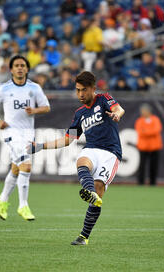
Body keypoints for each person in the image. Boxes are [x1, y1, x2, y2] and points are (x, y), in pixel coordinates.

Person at [27, 71, 125, 245]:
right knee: (82, 162)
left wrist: (117, 114)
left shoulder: (103, 99)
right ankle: (90, 193)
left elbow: (118, 108)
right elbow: (67, 139)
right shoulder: (79, 113)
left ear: (93, 89)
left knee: (99, 188)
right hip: (92, 149)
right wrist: (40, 146)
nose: (80, 94)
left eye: (84, 90)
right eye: (78, 90)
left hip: (110, 153)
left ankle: (84, 236)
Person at [0, 55, 51, 221]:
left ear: (27, 69)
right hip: (10, 132)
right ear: (11, 69)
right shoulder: (4, 88)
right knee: (26, 166)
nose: (20, 68)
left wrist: (34, 111)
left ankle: (2, 199)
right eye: (16, 65)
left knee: (16, 168)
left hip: (28, 133)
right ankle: (23, 205)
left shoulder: (35, 88)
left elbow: (46, 107)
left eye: (23, 65)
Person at [134, 104, 163, 185]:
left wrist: (145, 131)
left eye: (143, 111)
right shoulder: (139, 121)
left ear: (148, 111)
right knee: (142, 166)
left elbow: (157, 130)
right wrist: (150, 131)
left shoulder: (155, 119)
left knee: (153, 166)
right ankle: (140, 182)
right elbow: (140, 131)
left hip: (155, 147)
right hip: (143, 147)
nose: (142, 112)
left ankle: (153, 182)